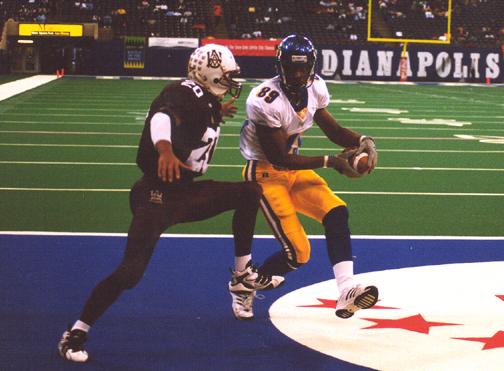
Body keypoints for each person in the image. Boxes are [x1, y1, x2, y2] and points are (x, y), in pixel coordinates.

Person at [58, 44, 284, 363]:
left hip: (185, 194)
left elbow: (189, 119)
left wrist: (215, 113)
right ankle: (76, 332)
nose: (233, 79)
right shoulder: (185, 90)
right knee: (130, 273)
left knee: (249, 192)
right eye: (228, 73)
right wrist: (164, 149)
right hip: (157, 195)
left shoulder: (204, 100)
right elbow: (164, 116)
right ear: (210, 73)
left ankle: (242, 274)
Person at [238, 34, 379, 319]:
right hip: (265, 174)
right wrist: (330, 162)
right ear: (281, 66)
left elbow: (333, 130)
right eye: (292, 68)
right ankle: (244, 286)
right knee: (298, 254)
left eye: (303, 68)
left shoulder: (314, 88)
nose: (299, 74)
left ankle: (346, 290)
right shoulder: (265, 99)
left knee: (336, 212)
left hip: (294, 172)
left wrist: (364, 140)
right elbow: (278, 156)